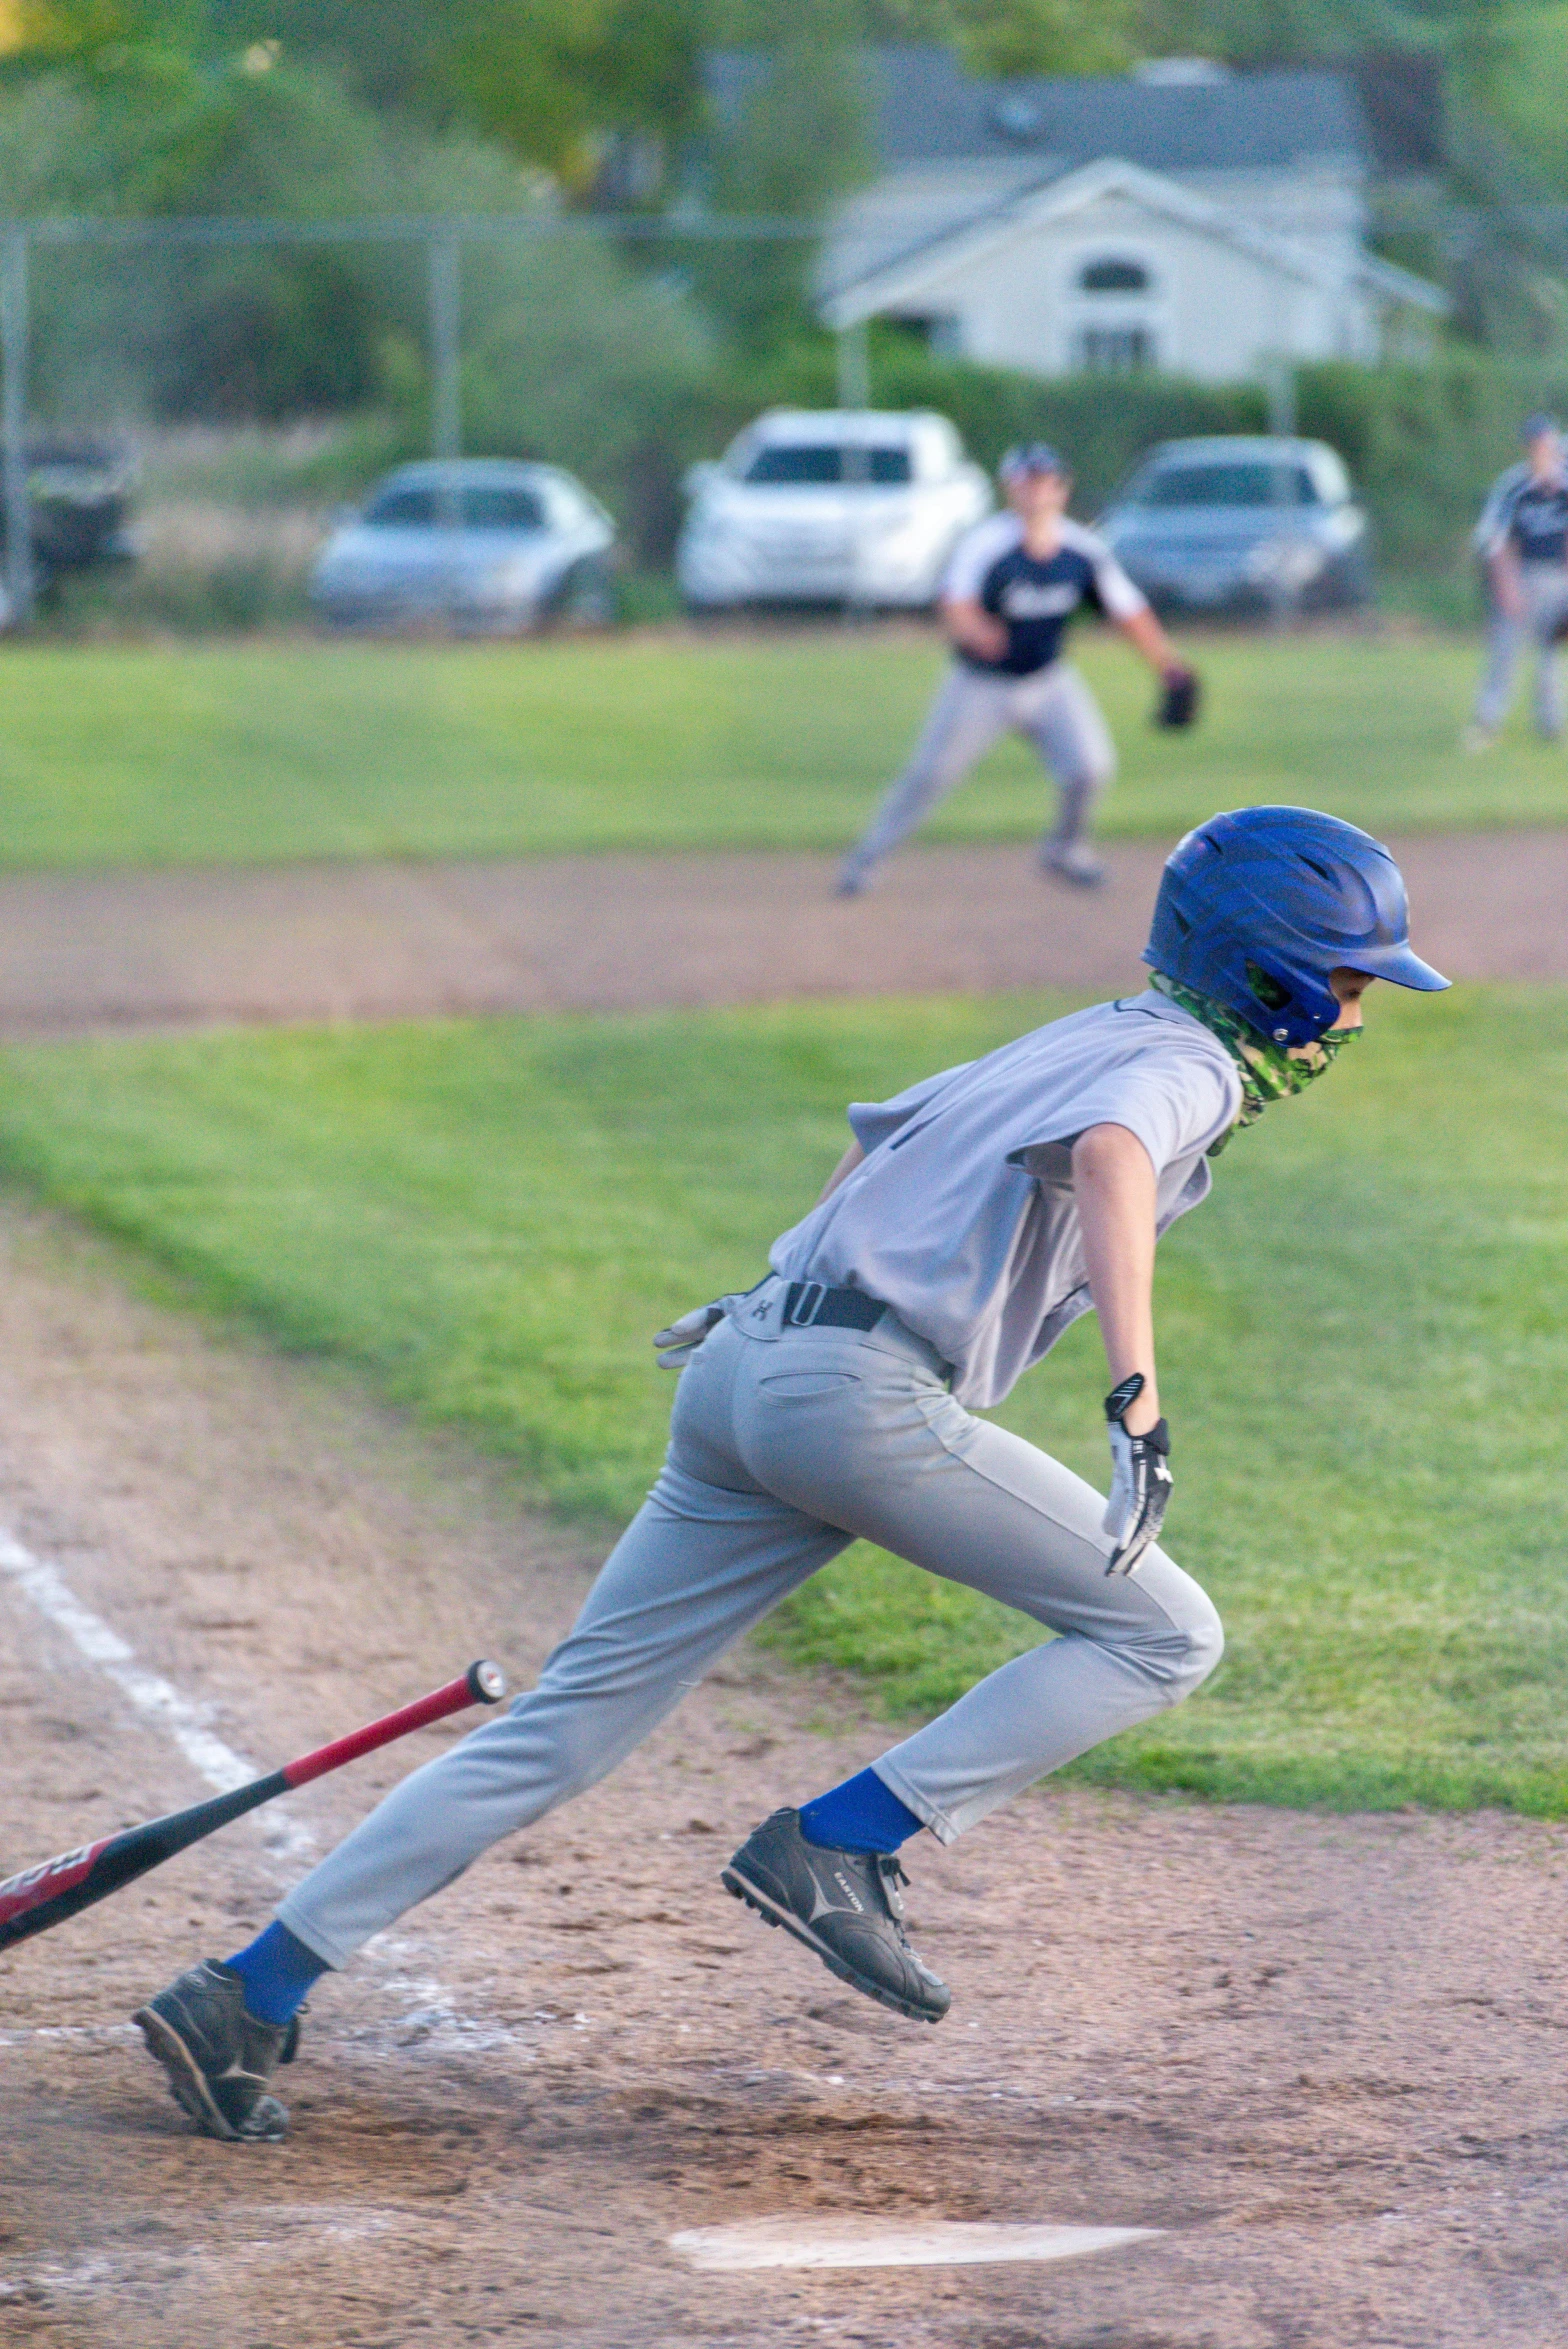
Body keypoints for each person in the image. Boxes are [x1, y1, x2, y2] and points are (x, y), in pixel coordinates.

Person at [132, 806, 1448, 2143]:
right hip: (855, 1403)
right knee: (1167, 1633)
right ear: (1267, 969)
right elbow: (1113, 1154)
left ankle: (248, 1991)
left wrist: (792, 1289)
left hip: (746, 1361)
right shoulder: (1189, 1067)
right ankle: (843, 1843)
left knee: (562, 1727)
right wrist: (1138, 1393)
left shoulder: (1088, 1027)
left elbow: (878, 1141)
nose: (1356, 1014)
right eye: (1348, 980)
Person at [835, 442, 1196, 897]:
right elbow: (955, 600)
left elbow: (1129, 612)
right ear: (1010, 489)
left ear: (1062, 489)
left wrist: (1168, 666)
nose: (1036, 491)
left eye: (1045, 481)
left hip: (1048, 680)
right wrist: (976, 630)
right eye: (1026, 481)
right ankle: (864, 862)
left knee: (1090, 768)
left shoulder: (1082, 551)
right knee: (929, 776)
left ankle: (1065, 851)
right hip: (980, 686)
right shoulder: (988, 543)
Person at [1465, 411, 1568, 751]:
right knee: (1505, 652)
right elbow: (1495, 541)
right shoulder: (1515, 486)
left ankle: (1550, 725)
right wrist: (1507, 587)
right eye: (1536, 445)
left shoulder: (1564, 483)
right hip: (1522, 575)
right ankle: (1487, 722)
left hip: (1559, 577)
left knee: (1550, 655)